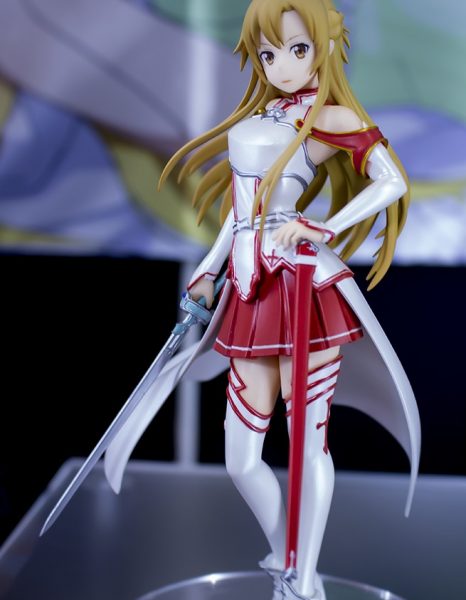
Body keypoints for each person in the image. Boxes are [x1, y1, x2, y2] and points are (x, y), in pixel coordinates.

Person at [104, 1, 421, 598]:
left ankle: (301, 577)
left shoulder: (329, 116)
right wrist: (207, 270)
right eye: (269, 53)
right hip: (250, 291)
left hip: (303, 287)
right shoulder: (262, 116)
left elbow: (392, 179)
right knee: (240, 457)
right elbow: (239, 212)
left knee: (307, 444)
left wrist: (323, 227)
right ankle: (291, 560)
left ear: (326, 48)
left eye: (298, 50)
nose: (281, 66)